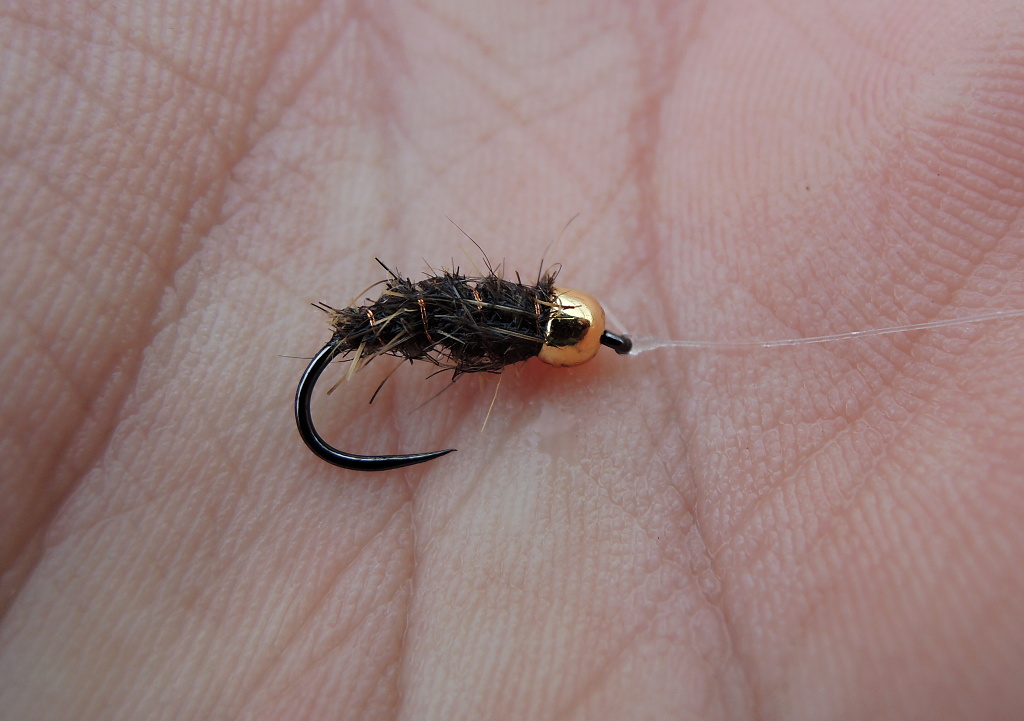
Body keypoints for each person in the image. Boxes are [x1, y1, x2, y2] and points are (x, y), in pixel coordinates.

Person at [1, 2, 1021, 718]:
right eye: (595, 336)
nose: (603, 339)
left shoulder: (511, 327)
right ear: (554, 337)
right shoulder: (501, 332)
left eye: (596, 336)